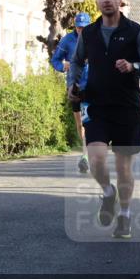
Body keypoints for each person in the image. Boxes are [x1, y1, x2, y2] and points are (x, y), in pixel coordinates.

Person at [67, 0, 140, 239]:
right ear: (97, 1)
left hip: (127, 107)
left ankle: (125, 216)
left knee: (123, 168)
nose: (107, 0)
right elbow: (76, 62)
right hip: (96, 103)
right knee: (95, 158)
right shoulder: (89, 33)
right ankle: (108, 194)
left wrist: (134, 67)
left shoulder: (136, 31)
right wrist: (71, 84)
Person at [51, 12, 91, 173]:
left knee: (88, 120)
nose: (81, 30)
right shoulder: (67, 40)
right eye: (78, 27)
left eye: (83, 27)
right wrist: (63, 66)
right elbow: (55, 60)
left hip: (91, 85)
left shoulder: (95, 37)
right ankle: (86, 153)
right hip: (73, 86)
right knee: (79, 123)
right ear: (75, 26)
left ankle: (86, 156)